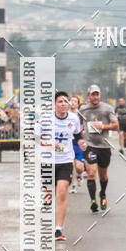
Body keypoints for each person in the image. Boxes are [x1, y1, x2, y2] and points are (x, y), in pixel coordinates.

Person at [39, 91, 86, 241]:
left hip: (65, 161)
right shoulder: (46, 119)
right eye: (60, 101)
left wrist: (82, 143)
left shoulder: (74, 118)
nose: (63, 103)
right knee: (48, 196)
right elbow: (35, 138)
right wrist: (50, 144)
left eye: (65, 101)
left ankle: (58, 229)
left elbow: (78, 136)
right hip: (47, 160)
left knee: (62, 193)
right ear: (54, 104)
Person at [79, 85, 118, 213]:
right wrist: (80, 138)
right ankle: (93, 201)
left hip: (104, 146)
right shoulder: (83, 110)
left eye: (97, 94)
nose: (95, 97)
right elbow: (78, 125)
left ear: (100, 95)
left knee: (103, 176)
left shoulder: (107, 108)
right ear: (88, 96)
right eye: (93, 94)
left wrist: (102, 126)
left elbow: (116, 126)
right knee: (91, 173)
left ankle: (102, 193)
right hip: (90, 146)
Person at [69, 95, 85, 192]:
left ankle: (80, 175)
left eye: (75, 101)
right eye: (71, 100)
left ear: (78, 104)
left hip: (77, 142)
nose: (73, 102)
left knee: (79, 167)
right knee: (70, 165)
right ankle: (73, 185)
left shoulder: (80, 115)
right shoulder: (65, 114)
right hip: (68, 142)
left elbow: (84, 126)